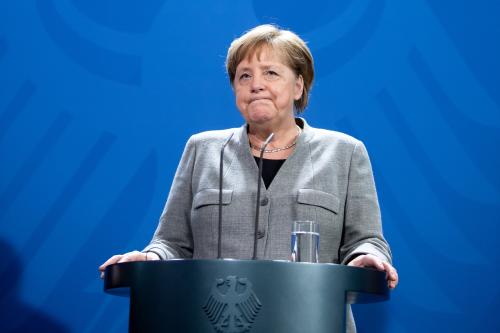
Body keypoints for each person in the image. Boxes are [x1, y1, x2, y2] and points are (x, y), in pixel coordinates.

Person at [99, 24, 398, 332]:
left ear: (298, 86)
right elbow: (171, 242)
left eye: (270, 73)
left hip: (312, 322)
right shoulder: (202, 149)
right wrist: (150, 257)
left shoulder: (345, 153)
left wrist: (368, 256)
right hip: (207, 323)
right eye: (244, 75)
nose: (256, 84)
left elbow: (367, 240)